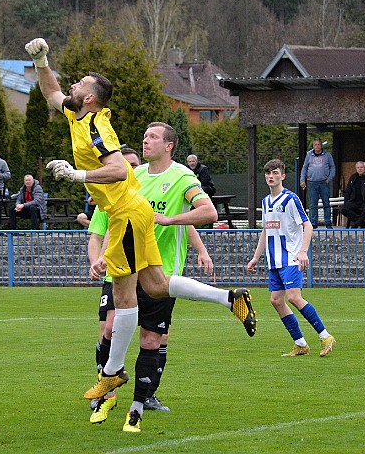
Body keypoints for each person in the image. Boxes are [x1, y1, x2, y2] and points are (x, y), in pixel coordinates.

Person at [26, 38, 251, 434]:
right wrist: (42, 60)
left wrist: (76, 175)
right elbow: (50, 90)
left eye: (80, 84)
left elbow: (115, 169)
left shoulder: (96, 124)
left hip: (126, 213)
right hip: (134, 211)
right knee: (157, 285)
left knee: (124, 297)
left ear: (91, 98)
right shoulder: (78, 115)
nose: (72, 85)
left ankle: (112, 372)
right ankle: (229, 298)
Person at [88, 137, 256, 428]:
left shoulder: (181, 176)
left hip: (159, 266)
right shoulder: (134, 177)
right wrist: (101, 255)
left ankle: (138, 407)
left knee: (152, 339)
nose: (145, 141)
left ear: (169, 145)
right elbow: (115, 221)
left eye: (152, 137)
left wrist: (170, 221)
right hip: (124, 264)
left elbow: (207, 213)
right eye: (144, 137)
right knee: (112, 326)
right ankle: (108, 389)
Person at [246, 158, 335, 358]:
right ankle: (301, 344)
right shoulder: (266, 201)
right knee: (276, 300)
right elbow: (265, 232)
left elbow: (308, 225)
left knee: (294, 297)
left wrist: (303, 252)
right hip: (274, 260)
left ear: (283, 176)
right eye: (268, 173)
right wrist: (255, 257)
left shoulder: (290, 199)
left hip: (291, 258)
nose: (271, 176)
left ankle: (325, 336)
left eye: (275, 173)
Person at [299, 138, 336, 228]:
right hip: (312, 183)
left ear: (321, 145)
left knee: (326, 203)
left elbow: (333, 167)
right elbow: (304, 168)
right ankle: (313, 223)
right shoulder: (309, 155)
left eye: (319, 144)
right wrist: (302, 180)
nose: (317, 146)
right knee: (313, 204)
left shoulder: (327, 155)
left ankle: (328, 223)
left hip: (324, 183)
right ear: (313, 146)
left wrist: (329, 178)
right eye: (315, 145)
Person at [341, 161, 365, 228]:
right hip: (355, 201)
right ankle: (361, 222)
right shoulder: (353, 178)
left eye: (361, 167)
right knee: (343, 209)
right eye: (358, 167)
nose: (360, 169)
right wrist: (346, 202)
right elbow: (348, 191)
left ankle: (356, 224)